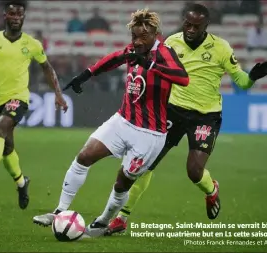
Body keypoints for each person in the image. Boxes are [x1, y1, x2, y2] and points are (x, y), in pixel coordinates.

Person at [108, 3, 267, 234]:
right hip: (172, 111)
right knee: (145, 164)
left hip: (206, 115)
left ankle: (211, 190)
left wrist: (252, 77)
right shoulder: (171, 43)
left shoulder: (221, 48)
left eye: (196, 26)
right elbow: (155, 71)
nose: (190, 29)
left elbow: (242, 82)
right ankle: (122, 218)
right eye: (187, 24)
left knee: (194, 172)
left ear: (206, 25)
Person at [33, 8, 189, 236]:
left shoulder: (164, 53)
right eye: (133, 36)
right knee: (84, 156)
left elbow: (183, 78)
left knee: (122, 183)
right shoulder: (133, 50)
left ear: (155, 34)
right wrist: (86, 75)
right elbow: (114, 59)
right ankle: (59, 211)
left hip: (150, 134)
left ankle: (104, 220)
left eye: (141, 37)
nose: (136, 41)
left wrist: (150, 66)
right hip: (123, 121)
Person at [0, 0, 68, 210]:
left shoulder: (32, 44)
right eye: (12, 14)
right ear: (5, 16)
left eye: (19, 15)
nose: (15, 18)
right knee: (6, 148)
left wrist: (58, 94)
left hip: (18, 98)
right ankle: (22, 183)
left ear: (24, 17)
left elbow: (47, 68)